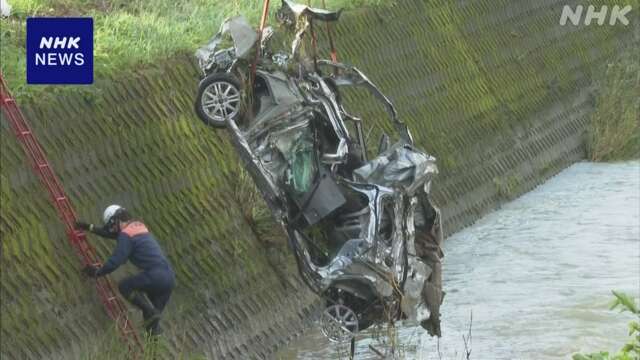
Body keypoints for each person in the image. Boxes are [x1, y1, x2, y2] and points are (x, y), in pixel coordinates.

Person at [75, 205, 175, 335]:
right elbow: (112, 234)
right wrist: (89, 227)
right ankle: (153, 349)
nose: (112, 229)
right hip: (169, 278)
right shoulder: (138, 227)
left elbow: (116, 260)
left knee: (125, 287)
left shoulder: (126, 235)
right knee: (151, 326)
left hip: (155, 275)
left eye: (112, 225)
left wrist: (98, 272)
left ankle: (150, 312)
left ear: (115, 220)